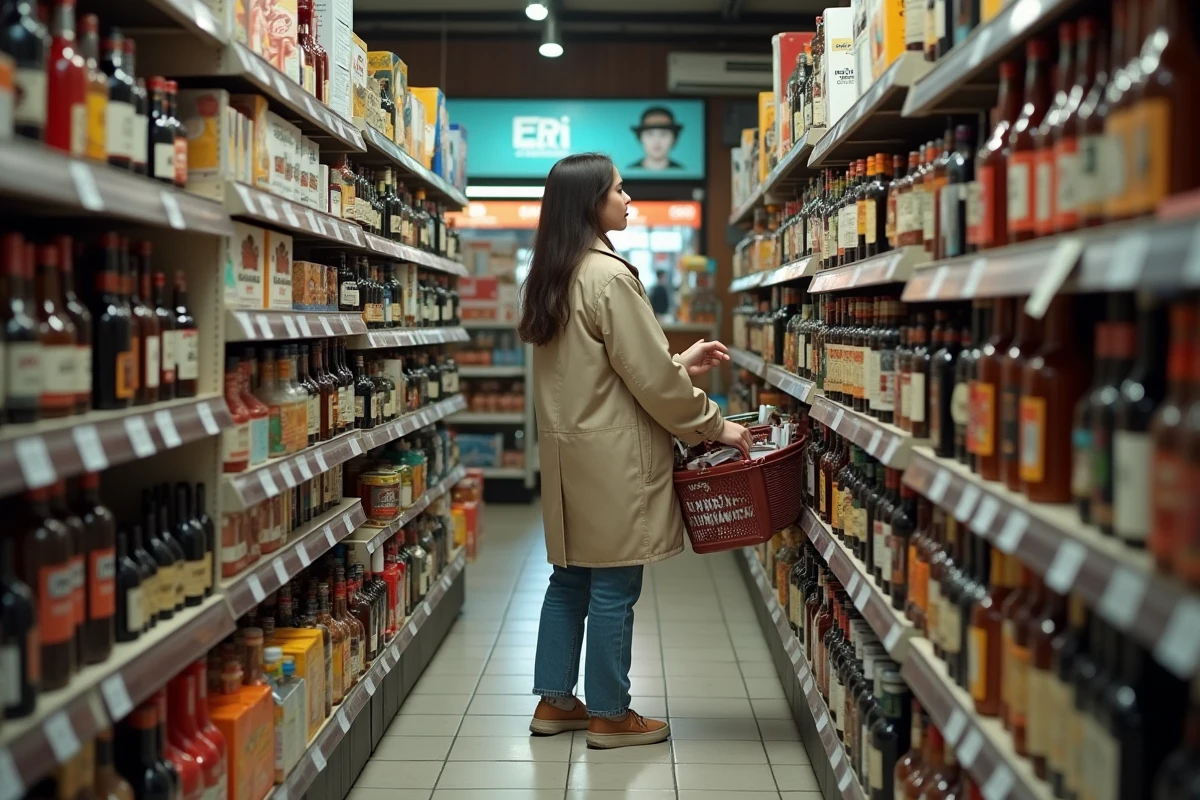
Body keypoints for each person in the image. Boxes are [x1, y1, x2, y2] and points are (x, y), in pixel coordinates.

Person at [518, 152, 752, 749]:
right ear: (591, 202)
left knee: (569, 579)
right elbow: (647, 380)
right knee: (615, 585)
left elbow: (605, 372)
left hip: (570, 457)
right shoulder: (609, 276)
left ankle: (554, 702)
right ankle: (610, 714)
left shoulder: (553, 273)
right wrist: (713, 425)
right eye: (619, 191)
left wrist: (679, 362)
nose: (629, 200)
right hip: (614, 459)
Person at [629, 107, 685, 171]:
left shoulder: (681, 171)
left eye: (663, 134)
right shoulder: (631, 171)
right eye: (650, 134)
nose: (656, 141)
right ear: (640, 138)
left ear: (673, 139)